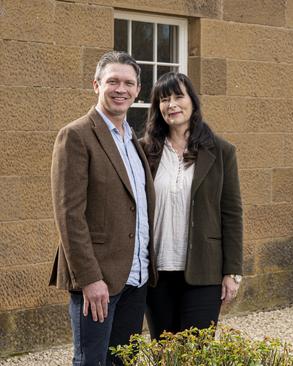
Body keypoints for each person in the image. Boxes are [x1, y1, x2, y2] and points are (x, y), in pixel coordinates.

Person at [49, 51, 157, 366]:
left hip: (136, 279)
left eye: (128, 83)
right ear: (97, 85)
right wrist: (89, 279)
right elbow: (69, 215)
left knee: (123, 361)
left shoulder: (132, 140)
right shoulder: (76, 135)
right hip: (98, 282)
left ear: (138, 90)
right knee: (91, 361)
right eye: (113, 81)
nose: (120, 89)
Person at [141, 72, 243, 339]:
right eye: (164, 99)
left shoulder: (221, 151)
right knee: (164, 351)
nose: (171, 104)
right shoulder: (145, 151)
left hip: (204, 271)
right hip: (156, 272)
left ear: (193, 102)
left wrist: (232, 272)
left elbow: (231, 213)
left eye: (178, 96)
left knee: (195, 351)